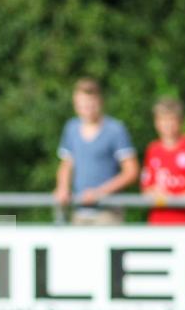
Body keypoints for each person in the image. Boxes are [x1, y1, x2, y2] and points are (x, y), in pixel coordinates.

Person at [54, 78, 139, 225]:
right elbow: (67, 164)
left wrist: (100, 193)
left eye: (90, 103)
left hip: (108, 213)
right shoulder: (71, 128)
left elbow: (131, 171)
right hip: (79, 210)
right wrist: (62, 186)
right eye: (82, 104)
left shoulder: (115, 129)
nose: (87, 108)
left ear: (100, 101)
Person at [141, 97, 185, 225]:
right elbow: (146, 188)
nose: (167, 124)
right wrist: (156, 194)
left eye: (171, 119)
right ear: (156, 122)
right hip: (159, 222)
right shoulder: (152, 149)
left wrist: (177, 200)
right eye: (162, 119)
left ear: (180, 121)